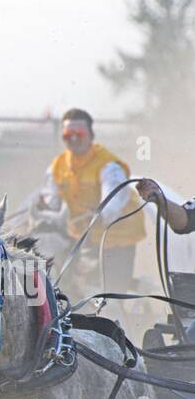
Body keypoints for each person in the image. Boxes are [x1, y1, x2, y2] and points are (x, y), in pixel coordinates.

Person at [36, 108, 146, 292]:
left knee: (112, 290)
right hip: (82, 235)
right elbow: (53, 201)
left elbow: (112, 205)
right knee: (69, 285)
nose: (73, 139)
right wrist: (45, 207)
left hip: (118, 236)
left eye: (79, 134)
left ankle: (135, 292)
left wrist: (98, 217)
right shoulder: (57, 166)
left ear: (91, 135)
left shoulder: (109, 166)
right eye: (67, 135)